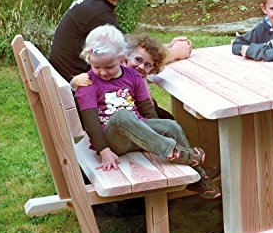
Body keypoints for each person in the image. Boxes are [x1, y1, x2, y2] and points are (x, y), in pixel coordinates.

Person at [74, 24, 221, 200]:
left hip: (137, 135)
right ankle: (173, 152)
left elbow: (148, 111)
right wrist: (104, 151)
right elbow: (90, 123)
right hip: (112, 141)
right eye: (96, 67)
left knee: (171, 126)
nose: (103, 72)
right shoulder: (88, 83)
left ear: (121, 57)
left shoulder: (133, 76)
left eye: (109, 67)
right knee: (122, 116)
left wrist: (157, 132)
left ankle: (198, 177)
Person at [49, 0, 192, 82]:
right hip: (85, 93)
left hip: (71, 88)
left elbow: (133, 51)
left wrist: (164, 48)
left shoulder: (90, 1)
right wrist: (175, 53)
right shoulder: (96, 12)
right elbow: (130, 61)